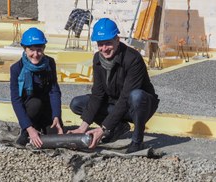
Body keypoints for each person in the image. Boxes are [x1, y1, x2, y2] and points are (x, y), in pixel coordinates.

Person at [68, 18, 159, 153]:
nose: (104, 49)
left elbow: (125, 97)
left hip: (139, 106)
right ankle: (117, 128)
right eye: (100, 44)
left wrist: (103, 129)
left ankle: (137, 140)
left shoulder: (133, 59)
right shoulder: (98, 59)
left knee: (136, 96)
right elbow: (98, 94)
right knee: (77, 103)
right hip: (115, 103)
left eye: (108, 43)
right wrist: (83, 127)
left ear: (117, 40)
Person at [10, 27, 63, 148]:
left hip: (46, 108)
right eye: (31, 50)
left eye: (39, 50)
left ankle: (43, 125)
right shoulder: (16, 69)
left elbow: (54, 91)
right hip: (30, 108)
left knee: (54, 138)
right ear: (25, 49)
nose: (35, 54)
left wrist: (56, 116)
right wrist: (29, 128)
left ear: (44, 49)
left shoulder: (50, 63)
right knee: (35, 103)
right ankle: (26, 130)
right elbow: (16, 100)